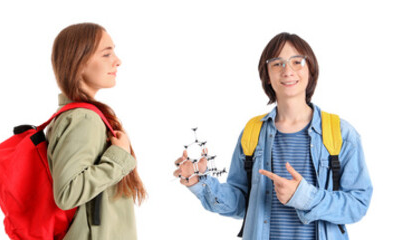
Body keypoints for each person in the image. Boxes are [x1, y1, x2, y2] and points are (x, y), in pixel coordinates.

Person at [174, 32, 372, 240]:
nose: (288, 70)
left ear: (310, 70)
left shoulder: (341, 133)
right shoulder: (253, 132)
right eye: (277, 63)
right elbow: (242, 205)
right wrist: (199, 183)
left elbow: (358, 204)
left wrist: (303, 197)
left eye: (297, 62)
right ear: (267, 76)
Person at [46, 22, 147, 240]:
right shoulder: (83, 119)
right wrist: (118, 158)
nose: (117, 61)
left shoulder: (78, 115)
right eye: (106, 54)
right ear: (79, 63)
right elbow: (67, 193)